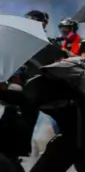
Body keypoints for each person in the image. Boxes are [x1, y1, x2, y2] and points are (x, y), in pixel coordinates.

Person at [0, 58, 85, 172]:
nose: (4, 86)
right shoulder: (41, 83)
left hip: (78, 134)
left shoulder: (33, 89)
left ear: (15, 78)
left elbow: (21, 106)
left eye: (4, 83)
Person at [24, 10, 61, 157]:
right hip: (29, 90)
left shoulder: (50, 42)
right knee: (28, 127)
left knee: (58, 124)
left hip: (48, 90)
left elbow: (59, 62)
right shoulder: (22, 42)